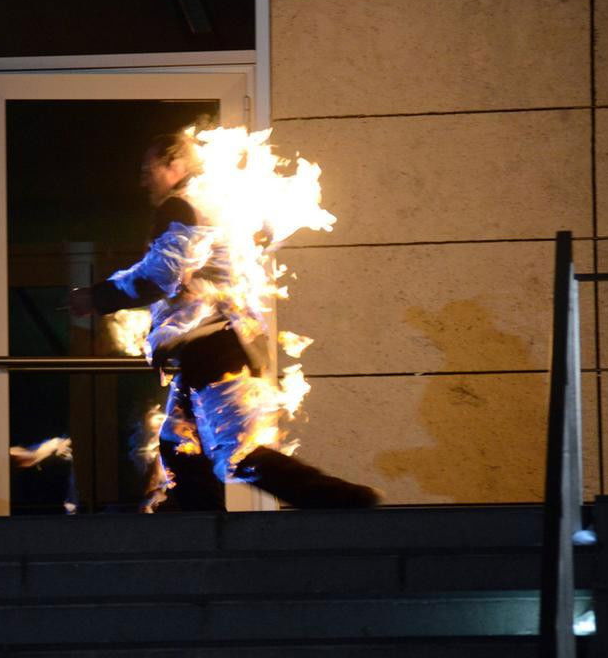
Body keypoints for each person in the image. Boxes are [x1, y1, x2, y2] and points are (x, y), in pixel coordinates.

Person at [69, 131, 380, 511]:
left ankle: (344, 502)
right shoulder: (217, 205)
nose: (143, 181)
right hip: (210, 346)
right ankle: (202, 532)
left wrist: (97, 297)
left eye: (148, 170)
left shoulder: (183, 205)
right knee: (180, 450)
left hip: (214, 347)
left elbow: (161, 274)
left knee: (238, 455)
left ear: (174, 163)